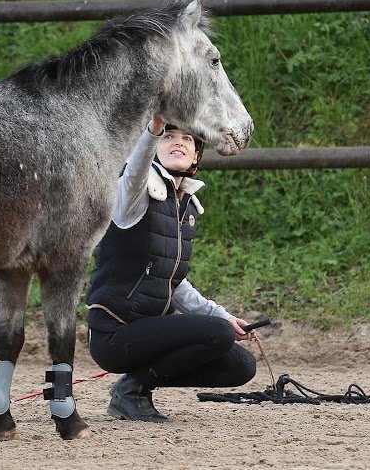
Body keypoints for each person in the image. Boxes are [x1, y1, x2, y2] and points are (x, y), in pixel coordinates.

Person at [85, 114, 257, 422]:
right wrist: (153, 129)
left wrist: (224, 317)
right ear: (153, 146)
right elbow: (135, 170)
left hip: (150, 331)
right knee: (216, 333)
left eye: (187, 138)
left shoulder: (185, 205)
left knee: (240, 365)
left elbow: (175, 284)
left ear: (196, 156)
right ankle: (131, 391)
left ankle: (134, 383)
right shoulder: (132, 193)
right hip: (114, 333)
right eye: (169, 136)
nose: (179, 142)